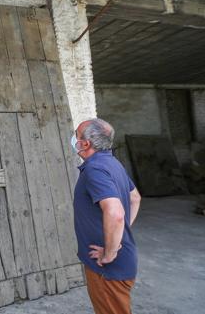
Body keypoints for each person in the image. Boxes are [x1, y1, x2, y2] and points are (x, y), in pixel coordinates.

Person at [72, 118, 142, 314]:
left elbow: (116, 212)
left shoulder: (95, 169)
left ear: (85, 143)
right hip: (119, 260)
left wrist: (109, 252)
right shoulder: (111, 163)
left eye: (76, 135)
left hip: (107, 266)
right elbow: (135, 198)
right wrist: (119, 233)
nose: (73, 139)